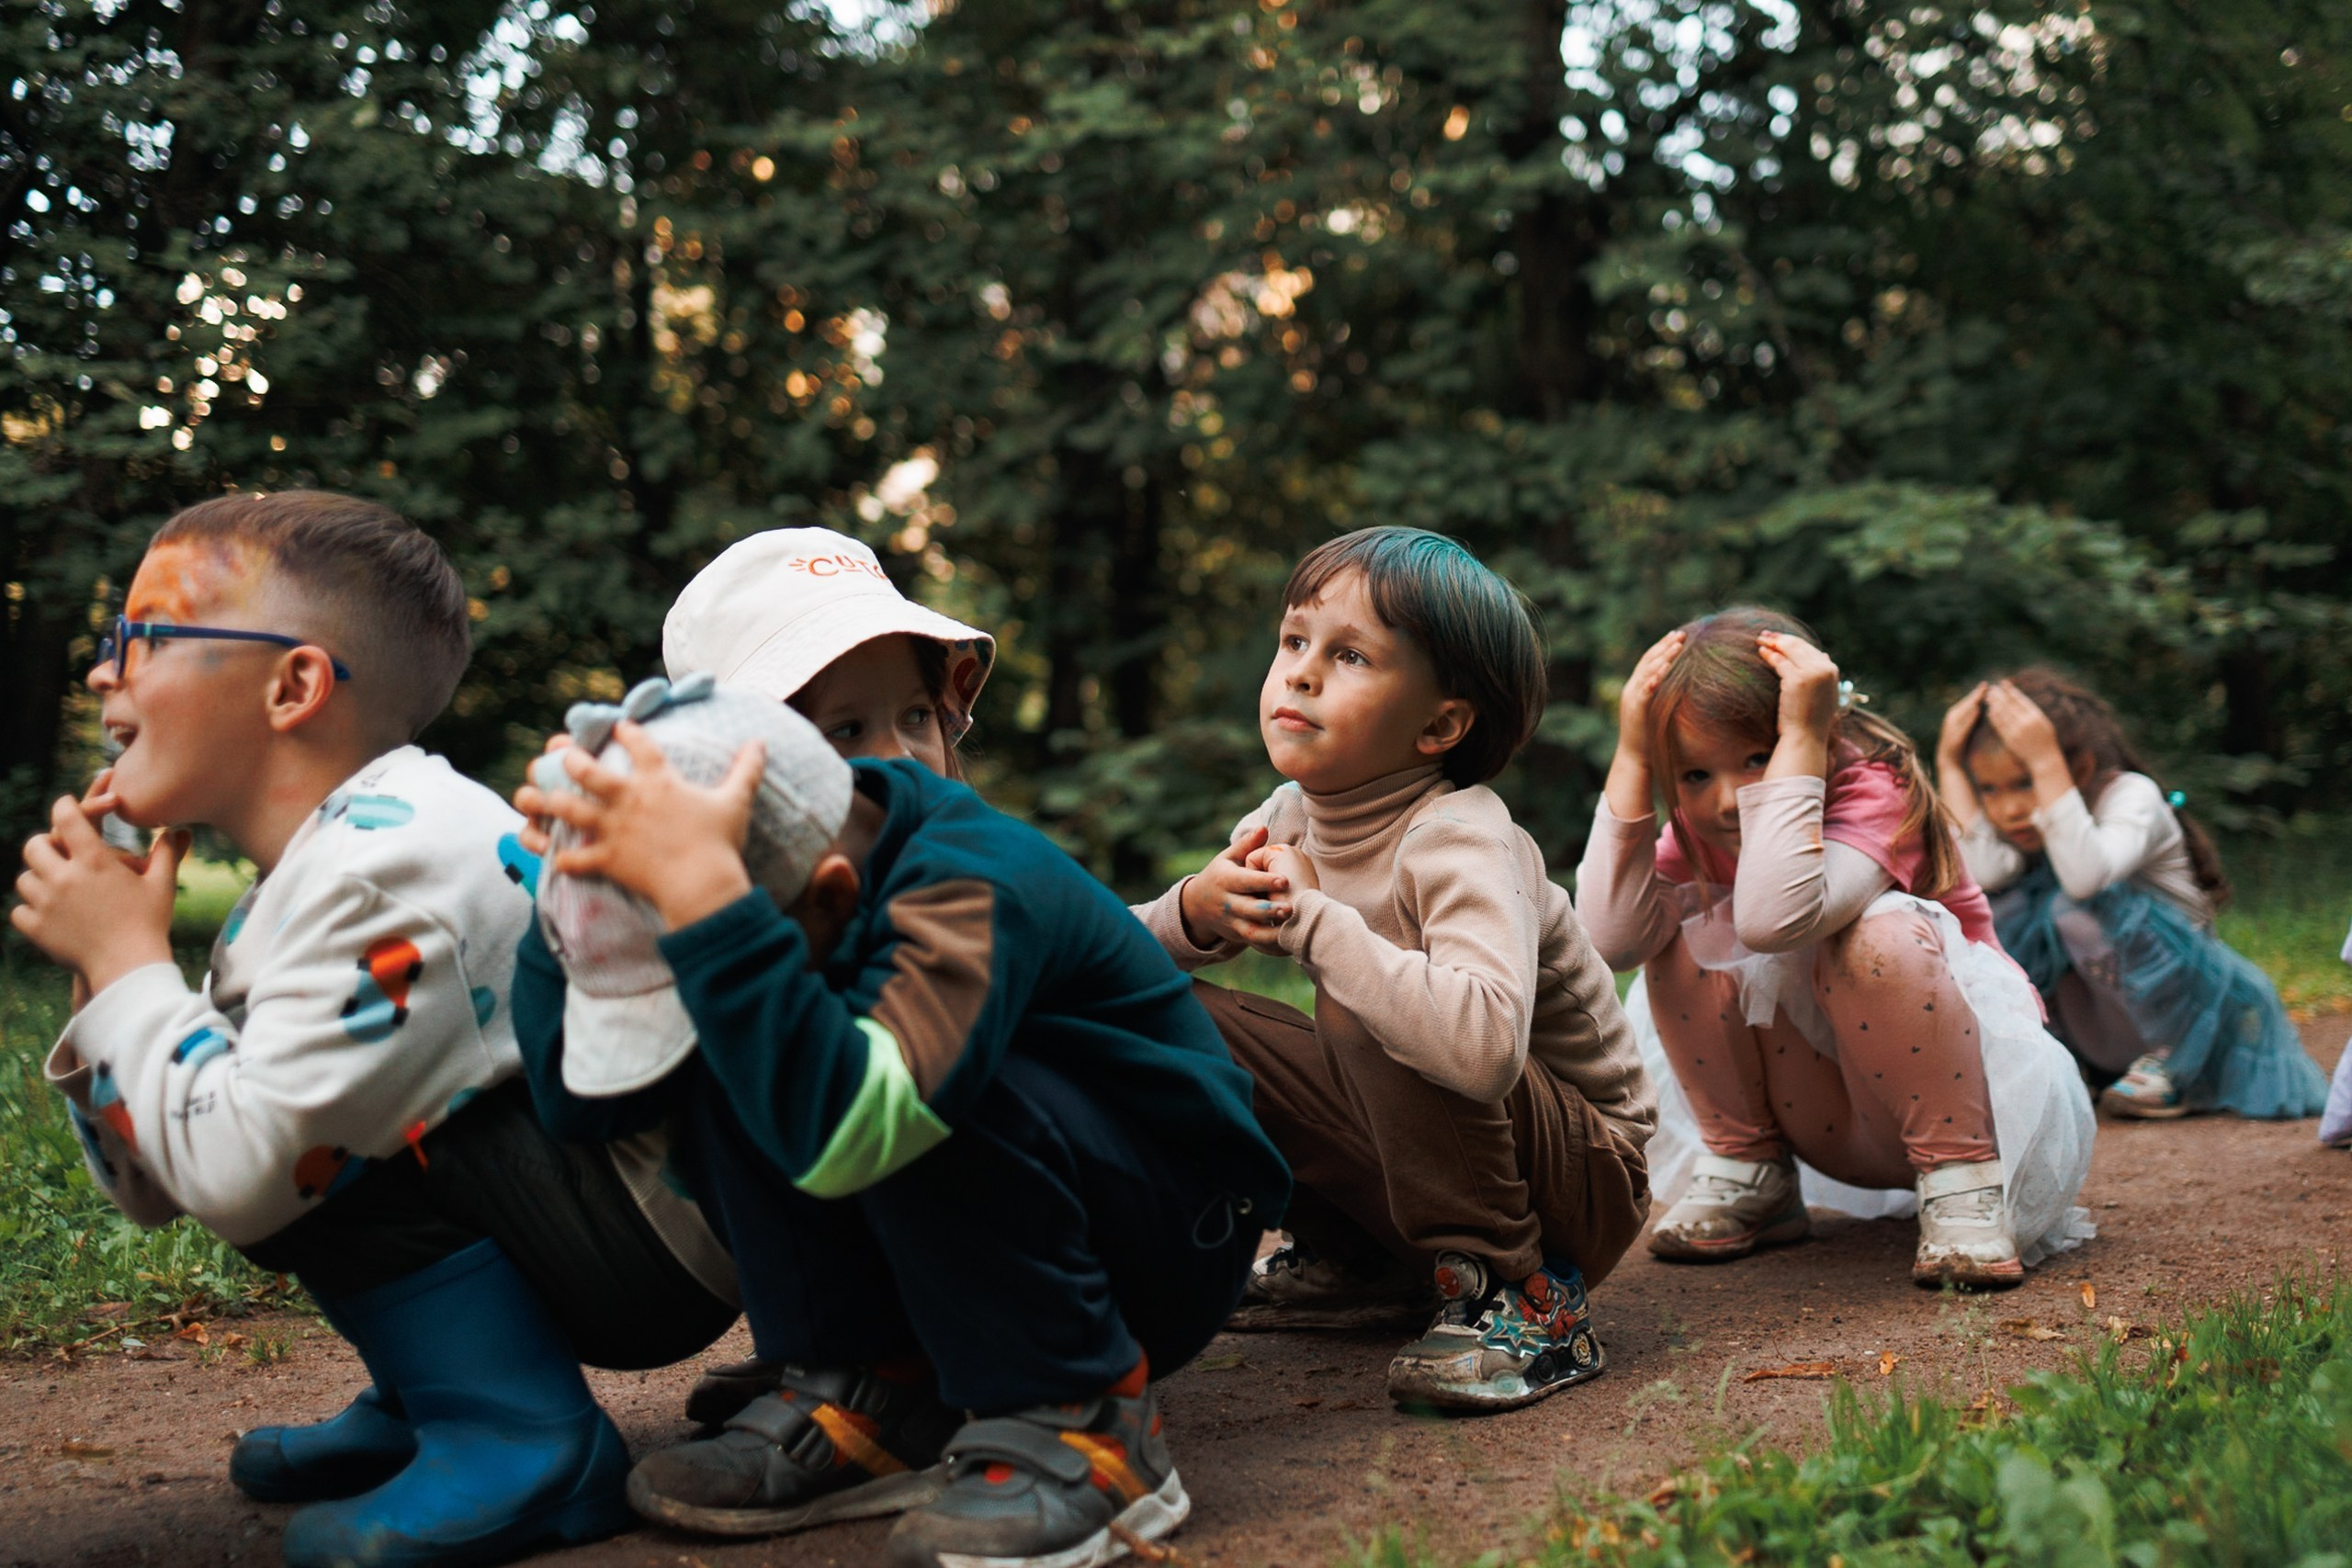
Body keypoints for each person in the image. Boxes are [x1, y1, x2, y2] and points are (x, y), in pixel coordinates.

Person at [10, 492, 737, 1568]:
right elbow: (157, 1179)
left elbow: (237, 1174)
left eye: (144, 638)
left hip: (652, 1243)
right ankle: (429, 1397)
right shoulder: (318, 868)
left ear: (293, 685)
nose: (103, 671)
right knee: (263, 1106)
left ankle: (522, 1434)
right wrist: (101, 971)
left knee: (277, 1132)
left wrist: (130, 968)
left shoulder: (395, 865)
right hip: (588, 1209)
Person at [510, 686, 1287, 1566]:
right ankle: (877, 1392)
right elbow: (584, 1106)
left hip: (1166, 1234)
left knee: (893, 1085)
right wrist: (562, 897)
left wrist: (714, 914)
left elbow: (863, 1127)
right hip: (996, 1206)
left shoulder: (972, 879)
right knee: (748, 1038)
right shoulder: (809, 880)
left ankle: (1087, 1423)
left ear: (834, 895)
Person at [1134, 525, 1654, 1413]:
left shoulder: (1463, 834)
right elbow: (1102, 965)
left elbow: (1485, 1046)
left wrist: (1314, 924)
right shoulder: (1291, 813)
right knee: (1166, 1009)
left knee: (1362, 1005)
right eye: (1295, 641)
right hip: (1427, 1155)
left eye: (1350, 656)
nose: (1299, 672)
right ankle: (1362, 1259)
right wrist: (1193, 911)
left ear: (1440, 725)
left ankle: (1519, 1295)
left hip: (1585, 1178)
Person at [1577, 608, 2094, 1291]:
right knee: (1677, 930)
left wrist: (1801, 732)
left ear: (1822, 729)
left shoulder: (1874, 791)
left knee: (1873, 937)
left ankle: (1963, 1186)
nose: (1729, 800)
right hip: (1826, 1113)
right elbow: (1612, 939)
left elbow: (1777, 917)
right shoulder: (1699, 829)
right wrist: (1634, 754)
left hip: (1967, 1112)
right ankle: (1749, 1167)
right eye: (1695, 774)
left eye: (1759, 758)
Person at [1937, 670, 2328, 1121]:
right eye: (1989, 789)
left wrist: (2046, 763)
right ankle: (2069, 1062)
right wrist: (1948, 763)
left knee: (2071, 911)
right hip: (2106, 1027)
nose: (2007, 809)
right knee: (2005, 910)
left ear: (2079, 767)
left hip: (2189, 1021)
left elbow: (2086, 878)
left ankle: (2173, 1064)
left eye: (2024, 782)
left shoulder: (2132, 797)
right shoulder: (2034, 820)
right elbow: (1982, 874)